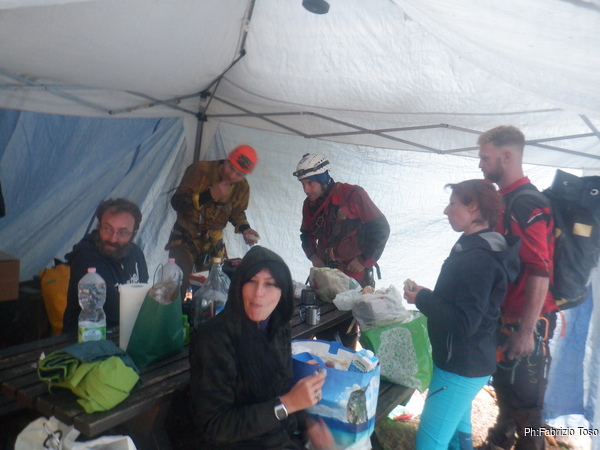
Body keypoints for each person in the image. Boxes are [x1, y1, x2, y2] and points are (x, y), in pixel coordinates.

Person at [403, 179, 521, 449]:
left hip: (459, 366)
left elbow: (464, 322)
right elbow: (466, 303)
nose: (446, 210)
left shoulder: (479, 258)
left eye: (452, 203)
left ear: (473, 206)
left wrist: (422, 298)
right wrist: (428, 294)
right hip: (468, 361)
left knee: (429, 444)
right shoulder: (476, 245)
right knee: (458, 434)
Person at [189, 245, 334, 449]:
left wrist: (309, 426)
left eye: (270, 284)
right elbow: (215, 426)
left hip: (275, 435)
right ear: (238, 286)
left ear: (283, 292)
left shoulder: (278, 329)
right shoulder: (214, 340)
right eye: (251, 281)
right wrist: (287, 404)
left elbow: (282, 388)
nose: (258, 293)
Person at [478, 125, 559, 450]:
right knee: (506, 394)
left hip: (527, 323)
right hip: (506, 318)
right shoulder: (505, 200)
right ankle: (498, 442)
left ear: (507, 156)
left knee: (527, 412)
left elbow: (540, 270)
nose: (481, 164)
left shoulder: (527, 204)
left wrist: (526, 331)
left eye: (485, 158)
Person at [166, 145, 261, 294]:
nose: (232, 175)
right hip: (185, 236)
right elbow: (177, 202)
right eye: (231, 168)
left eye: (239, 174)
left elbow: (237, 212)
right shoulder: (200, 171)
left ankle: (200, 308)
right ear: (227, 159)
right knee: (177, 282)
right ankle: (176, 308)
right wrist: (209, 194)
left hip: (212, 243)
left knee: (210, 288)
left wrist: (245, 228)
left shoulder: (242, 187)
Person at [293, 153, 390, 288]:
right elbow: (306, 234)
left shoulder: (352, 194)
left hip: (354, 274)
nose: (306, 190)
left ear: (323, 179)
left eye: (310, 183)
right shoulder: (310, 204)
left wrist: (363, 261)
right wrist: (313, 257)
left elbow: (381, 229)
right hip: (326, 274)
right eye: (303, 184)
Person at [62, 198, 149, 333]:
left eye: (122, 232)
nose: (113, 239)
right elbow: (112, 309)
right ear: (99, 225)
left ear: (134, 232)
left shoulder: (135, 253)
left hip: (127, 332)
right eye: (107, 228)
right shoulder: (86, 257)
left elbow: (145, 294)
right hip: (88, 336)